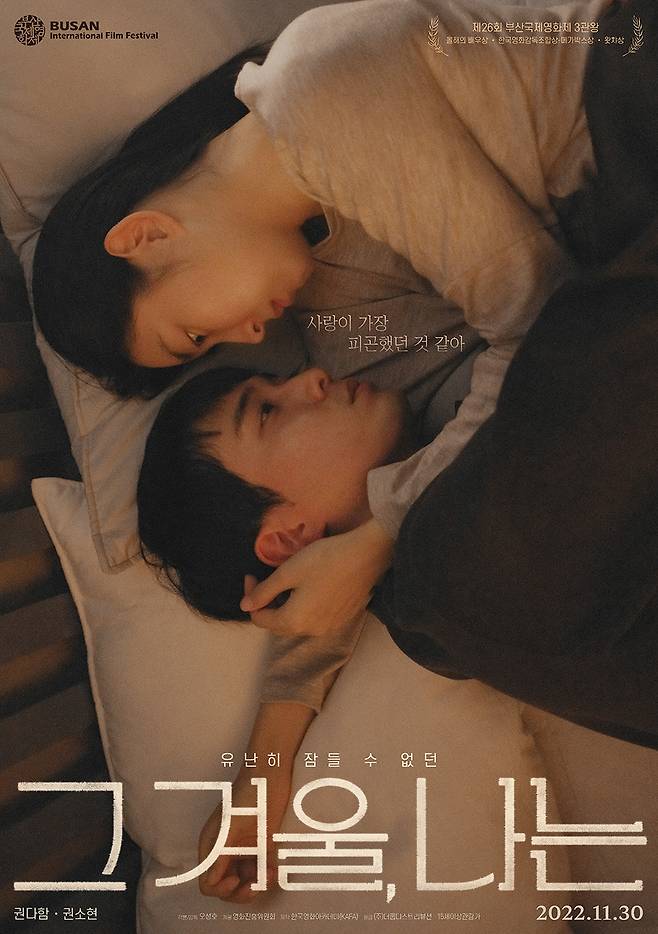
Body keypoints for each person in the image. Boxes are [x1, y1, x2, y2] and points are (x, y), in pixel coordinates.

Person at [31, 0, 611, 644]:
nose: (253, 338)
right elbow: (400, 425)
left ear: (146, 237)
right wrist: (342, 567)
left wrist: (378, 537)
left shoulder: (314, 91)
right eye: (209, 347)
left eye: (194, 335)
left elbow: (548, 332)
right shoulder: (332, 282)